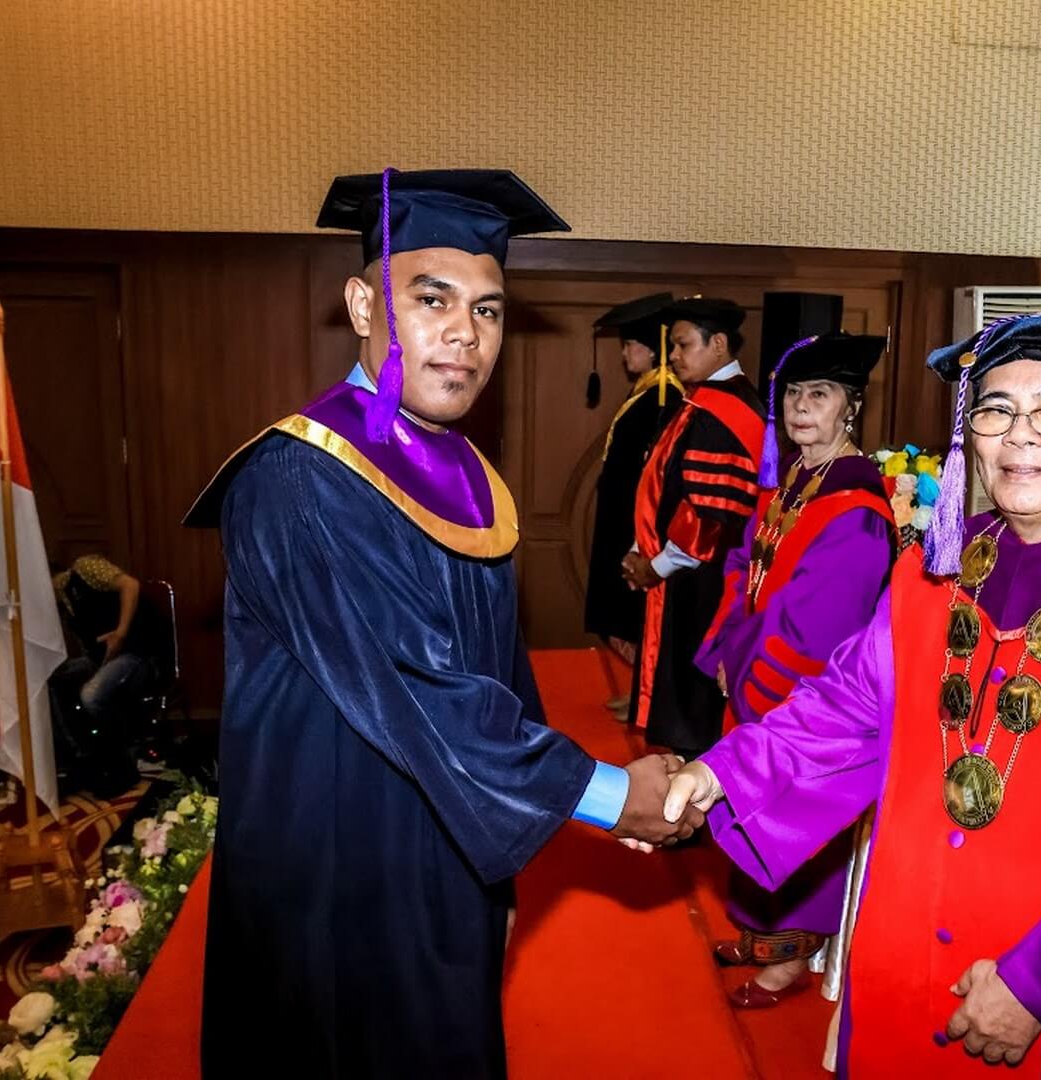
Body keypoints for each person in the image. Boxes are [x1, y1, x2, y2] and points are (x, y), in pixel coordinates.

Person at [183, 168, 702, 1079]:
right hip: (337, 855)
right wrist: (604, 792)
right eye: (432, 299)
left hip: (449, 831)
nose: (465, 332)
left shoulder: (459, 468)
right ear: (363, 305)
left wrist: (532, 822)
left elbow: (498, 679)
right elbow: (414, 683)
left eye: (488, 309)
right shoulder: (302, 476)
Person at [661, 313, 1041, 1077]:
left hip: (1039, 1011)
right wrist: (720, 772)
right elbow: (846, 710)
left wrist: (1037, 989)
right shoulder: (934, 575)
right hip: (899, 957)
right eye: (994, 410)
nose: (1019, 436)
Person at [693, 332, 893, 1008]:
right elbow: (740, 568)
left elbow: (821, 626)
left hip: (799, 697)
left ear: (850, 407)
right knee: (751, 807)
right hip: (752, 675)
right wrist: (725, 653)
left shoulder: (856, 510)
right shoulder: (795, 485)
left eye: (821, 394)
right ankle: (757, 935)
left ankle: (788, 959)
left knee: (788, 814)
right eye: (794, 395)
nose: (802, 407)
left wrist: (755, 683)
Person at [622, 297, 767, 759]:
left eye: (683, 345)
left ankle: (694, 787)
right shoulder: (704, 402)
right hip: (686, 572)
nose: (674, 357)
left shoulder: (725, 415)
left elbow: (707, 515)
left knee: (694, 708)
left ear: (718, 344)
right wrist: (641, 547)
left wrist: (657, 566)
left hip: (704, 581)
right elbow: (664, 485)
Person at [584, 293, 683, 714]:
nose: (625, 354)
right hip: (623, 516)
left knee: (638, 609)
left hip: (640, 524)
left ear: (653, 347)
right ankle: (641, 691)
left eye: (630, 345)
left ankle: (649, 697)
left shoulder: (665, 396)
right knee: (625, 611)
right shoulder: (645, 392)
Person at [47, 554, 167, 797]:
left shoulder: (83, 568)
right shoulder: (63, 603)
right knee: (50, 681)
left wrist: (120, 633)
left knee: (91, 696)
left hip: (135, 652)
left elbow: (130, 585)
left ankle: (122, 754)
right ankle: (81, 756)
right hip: (100, 658)